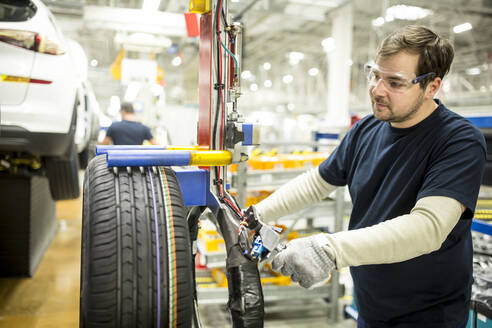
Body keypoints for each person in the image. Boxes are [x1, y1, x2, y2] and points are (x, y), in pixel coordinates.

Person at [252, 25, 486, 327]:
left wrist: (329, 249)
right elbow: (317, 182)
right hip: (371, 306)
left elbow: (428, 227)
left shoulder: (458, 140)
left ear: (432, 86)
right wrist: (255, 214)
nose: (376, 89)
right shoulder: (367, 129)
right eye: (374, 75)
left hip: (428, 315)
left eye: (394, 82)